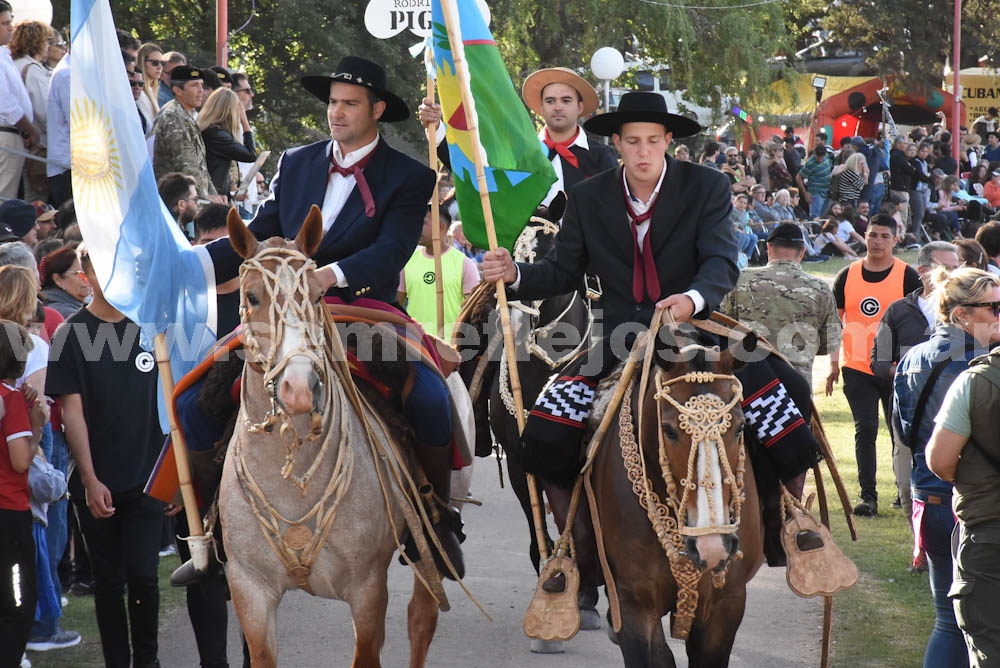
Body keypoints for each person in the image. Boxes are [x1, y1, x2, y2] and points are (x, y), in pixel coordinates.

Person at [197, 56, 464, 576]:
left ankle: (434, 516)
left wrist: (328, 276)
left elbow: (391, 251)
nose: (336, 113)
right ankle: (204, 525)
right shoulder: (296, 162)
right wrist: (192, 266)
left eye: (349, 104)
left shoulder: (412, 175)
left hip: (361, 309)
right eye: (333, 103)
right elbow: (259, 231)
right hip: (282, 313)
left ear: (377, 110)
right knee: (196, 394)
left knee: (432, 398)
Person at [46, 245, 166, 668]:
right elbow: (71, 413)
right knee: (110, 582)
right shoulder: (71, 334)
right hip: (97, 481)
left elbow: (171, 403)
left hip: (149, 478)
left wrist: (173, 474)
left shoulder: (151, 327)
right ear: (86, 275)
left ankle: (146, 661)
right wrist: (91, 479)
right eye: (104, 268)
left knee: (145, 577)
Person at [897, 267, 998, 668]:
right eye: (994, 307)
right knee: (975, 626)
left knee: (948, 620)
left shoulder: (910, 357)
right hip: (969, 501)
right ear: (961, 315)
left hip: (927, 495)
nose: (999, 315)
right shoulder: (982, 367)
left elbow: (902, 433)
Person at [827, 213, 922, 517]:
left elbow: (920, 321)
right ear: (864, 237)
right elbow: (832, 323)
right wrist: (832, 366)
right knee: (865, 429)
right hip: (856, 366)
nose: (877, 241)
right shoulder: (847, 275)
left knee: (901, 434)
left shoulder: (908, 276)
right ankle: (868, 496)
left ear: (896, 240)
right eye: (872, 235)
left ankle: (903, 490)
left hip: (898, 368)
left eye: (884, 236)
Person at [420, 66, 617, 212]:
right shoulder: (520, 153)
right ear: (540, 108)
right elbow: (473, 169)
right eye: (550, 101)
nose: (557, 107)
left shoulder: (600, 156)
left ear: (580, 107)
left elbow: (614, 209)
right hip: (525, 258)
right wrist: (436, 128)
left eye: (566, 100)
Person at [926, 286, 1000, 668]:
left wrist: (973, 479)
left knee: (988, 647)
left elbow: (939, 460)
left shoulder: (977, 381)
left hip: (989, 532)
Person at [871, 241, 960, 534]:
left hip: (957, 411)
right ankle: (919, 545)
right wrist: (907, 369)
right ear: (923, 271)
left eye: (957, 266)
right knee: (909, 482)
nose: (954, 273)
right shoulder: (897, 310)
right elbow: (878, 360)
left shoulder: (969, 313)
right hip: (914, 413)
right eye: (946, 267)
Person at [720, 222, 841, 384]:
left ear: (769, 247)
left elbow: (724, 329)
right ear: (803, 251)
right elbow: (829, 342)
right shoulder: (820, 288)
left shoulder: (741, 280)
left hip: (748, 384)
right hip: (797, 382)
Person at [0, 319, 46, 668]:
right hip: (9, 513)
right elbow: (19, 461)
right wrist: (37, 426)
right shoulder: (10, 399)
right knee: (17, 602)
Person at [398, 203, 479, 337]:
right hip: (416, 345)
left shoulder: (464, 263)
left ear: (441, 227)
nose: (416, 228)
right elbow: (397, 305)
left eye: (422, 223)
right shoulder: (408, 261)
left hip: (450, 348)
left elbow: (474, 310)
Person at [152, 66, 221, 202]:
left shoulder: (187, 116)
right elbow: (186, 165)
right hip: (177, 201)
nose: (201, 90)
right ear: (177, 90)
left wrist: (214, 194)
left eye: (201, 85)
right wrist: (205, 196)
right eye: (194, 85)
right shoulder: (174, 118)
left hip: (189, 198)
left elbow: (201, 167)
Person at [0, 0, 41, 201]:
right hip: (5, 133)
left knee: (10, 199)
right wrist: (31, 128)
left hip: (14, 133)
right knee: (4, 199)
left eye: (11, 21)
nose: (11, 27)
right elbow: (4, 103)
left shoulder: (4, 54)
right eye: (4, 23)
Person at [9, 20, 53, 203]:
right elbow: (45, 111)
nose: (49, 46)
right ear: (37, 42)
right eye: (47, 40)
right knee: (35, 197)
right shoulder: (32, 70)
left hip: (18, 139)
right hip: (36, 144)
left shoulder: (12, 64)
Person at [197, 88, 256, 200]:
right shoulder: (216, 134)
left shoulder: (208, 130)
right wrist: (245, 122)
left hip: (215, 195)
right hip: (213, 199)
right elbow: (250, 155)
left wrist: (233, 197)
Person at [39, 246, 90, 318]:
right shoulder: (66, 313)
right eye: (78, 273)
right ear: (58, 280)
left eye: (88, 272)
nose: (86, 278)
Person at [796, 144, 833, 218]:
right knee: (815, 217)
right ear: (814, 154)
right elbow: (798, 177)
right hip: (815, 193)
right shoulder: (810, 163)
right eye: (817, 157)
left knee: (823, 217)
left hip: (826, 192)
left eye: (821, 158)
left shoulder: (827, 157)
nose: (819, 160)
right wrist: (805, 193)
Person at [135, 43, 163, 137]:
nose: (160, 67)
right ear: (142, 62)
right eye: (155, 63)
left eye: (162, 63)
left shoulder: (152, 91)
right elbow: (149, 128)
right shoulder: (139, 93)